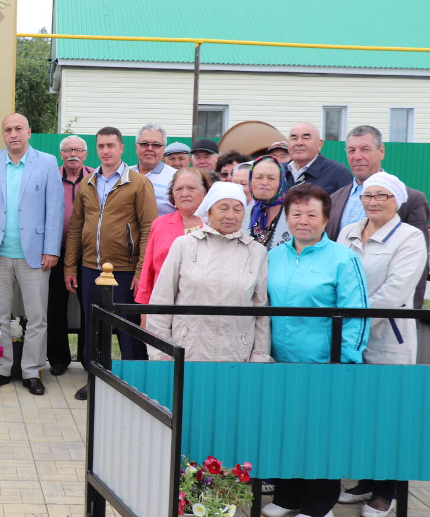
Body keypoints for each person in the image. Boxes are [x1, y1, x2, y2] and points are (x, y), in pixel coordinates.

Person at [263, 183, 369, 517]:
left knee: (321, 433)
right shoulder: (274, 256)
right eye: (296, 214)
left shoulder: (343, 258)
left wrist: (345, 360)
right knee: (285, 428)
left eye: (312, 214)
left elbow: (356, 314)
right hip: (280, 362)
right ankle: (288, 496)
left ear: (325, 219)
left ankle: (319, 504)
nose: (303, 221)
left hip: (325, 363)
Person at [337, 173, 428, 517]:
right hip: (349, 338)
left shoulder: (410, 237)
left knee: (389, 415)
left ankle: (385, 491)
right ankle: (365, 481)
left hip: (387, 339)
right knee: (360, 414)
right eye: (367, 195)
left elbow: (396, 291)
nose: (373, 202)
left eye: (382, 196)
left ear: (397, 201)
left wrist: (352, 323)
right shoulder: (349, 232)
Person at [0, 113, 63, 396]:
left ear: (29, 132)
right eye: (8, 129)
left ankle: (32, 372)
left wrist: (51, 249)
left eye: (18, 129)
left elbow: (55, 209)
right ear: (3, 134)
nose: (13, 134)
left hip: (34, 255)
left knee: (37, 318)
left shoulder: (47, 162)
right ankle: (0, 369)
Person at [64, 126, 158, 401]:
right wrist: (70, 267)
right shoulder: (88, 182)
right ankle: (95, 379)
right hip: (90, 268)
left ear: (121, 148)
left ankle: (133, 383)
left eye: (110, 146)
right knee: (93, 328)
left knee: (128, 329)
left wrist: (141, 271)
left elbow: (149, 228)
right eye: (101, 146)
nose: (105, 151)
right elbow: (76, 227)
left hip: (124, 270)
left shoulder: (138, 183)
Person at [145, 181, 271, 362]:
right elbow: (161, 300)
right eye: (223, 208)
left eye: (237, 209)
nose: (230, 215)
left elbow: (262, 311)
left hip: (237, 354)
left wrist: (260, 356)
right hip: (187, 352)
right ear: (209, 211)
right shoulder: (184, 245)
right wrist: (161, 352)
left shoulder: (256, 252)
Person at [326, 125, 429, 309]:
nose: (357, 156)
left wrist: (413, 313)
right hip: (343, 308)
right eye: (351, 150)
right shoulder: (334, 199)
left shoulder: (411, 199)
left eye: (365, 149)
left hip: (388, 313)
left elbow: (417, 268)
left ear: (381, 151)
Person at [47, 135, 95, 375]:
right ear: (61, 154)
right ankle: (58, 359)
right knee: (55, 306)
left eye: (77, 150)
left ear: (85, 154)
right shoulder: (50, 177)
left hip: (89, 253)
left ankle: (88, 358)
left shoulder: (96, 178)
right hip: (56, 252)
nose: (72, 154)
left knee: (89, 306)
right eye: (67, 150)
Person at [135, 167, 211, 305]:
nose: (185, 193)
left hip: (202, 305)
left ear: (205, 192)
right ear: (172, 194)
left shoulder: (213, 225)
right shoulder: (159, 224)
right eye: (179, 189)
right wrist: (145, 310)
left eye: (191, 188)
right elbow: (148, 271)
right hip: (163, 304)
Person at [284, 122, 353, 194]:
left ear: (319, 144)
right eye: (294, 138)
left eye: (306, 138)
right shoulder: (280, 171)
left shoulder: (338, 172)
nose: (299, 143)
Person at [244, 155, 292, 252]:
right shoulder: (242, 214)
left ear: (281, 183)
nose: (264, 183)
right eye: (258, 177)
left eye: (271, 178)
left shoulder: (293, 216)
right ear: (250, 181)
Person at [132, 122, 177, 215]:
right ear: (136, 147)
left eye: (156, 145)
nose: (150, 148)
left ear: (163, 149)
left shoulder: (175, 178)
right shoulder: (124, 174)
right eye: (144, 144)